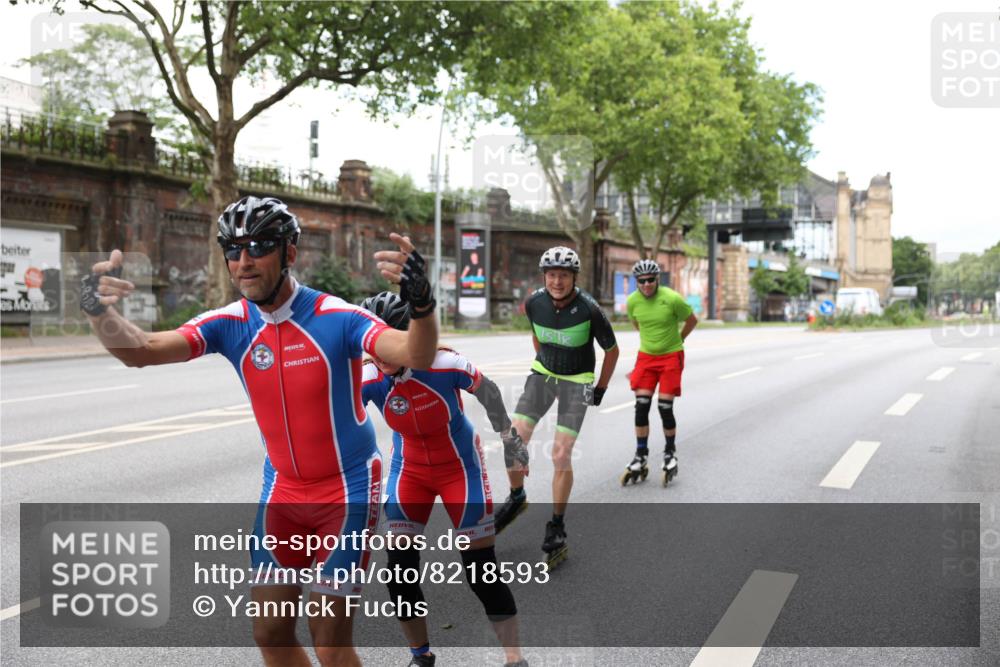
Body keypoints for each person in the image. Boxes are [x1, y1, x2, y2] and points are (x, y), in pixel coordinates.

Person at [79, 196, 438, 667]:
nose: (244, 262)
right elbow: (142, 349)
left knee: (328, 634)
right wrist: (96, 310)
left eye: (259, 247)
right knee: (270, 631)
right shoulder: (231, 324)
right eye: (233, 249)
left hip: (346, 489)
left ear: (289, 253)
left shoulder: (339, 317)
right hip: (284, 490)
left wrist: (423, 306)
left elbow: (416, 353)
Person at [359, 291, 529, 667]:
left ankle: (515, 658)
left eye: (393, 342)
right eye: (375, 344)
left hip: (459, 469)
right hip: (410, 471)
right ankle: (421, 656)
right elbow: (338, 419)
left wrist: (511, 440)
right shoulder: (369, 376)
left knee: (481, 573)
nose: (383, 355)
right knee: (399, 572)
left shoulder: (443, 363)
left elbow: (489, 391)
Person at [493, 246, 619, 567]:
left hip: (579, 380)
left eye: (563, 275)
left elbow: (612, 351)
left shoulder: (590, 309)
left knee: (561, 453)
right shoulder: (533, 303)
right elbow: (537, 339)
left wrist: (599, 388)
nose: (557, 281)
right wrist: (544, 364)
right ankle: (517, 497)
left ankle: (557, 526)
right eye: (552, 275)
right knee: (513, 438)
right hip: (545, 373)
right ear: (544, 276)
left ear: (574, 277)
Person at [620, 259, 698, 487]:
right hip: (646, 358)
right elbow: (637, 324)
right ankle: (641, 454)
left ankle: (669, 452)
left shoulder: (672, 298)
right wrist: (650, 342)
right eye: (641, 281)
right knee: (641, 405)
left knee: (665, 407)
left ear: (658, 279)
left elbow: (692, 320)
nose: (646, 284)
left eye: (650, 280)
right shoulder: (632, 301)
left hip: (671, 357)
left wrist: (679, 338)